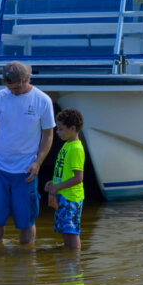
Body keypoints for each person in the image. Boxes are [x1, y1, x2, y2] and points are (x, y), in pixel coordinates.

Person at [0, 61, 55, 245]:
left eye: (16, 87)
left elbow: (48, 134)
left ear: (27, 79)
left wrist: (38, 162)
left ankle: (27, 262)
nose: (12, 91)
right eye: (9, 87)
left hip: (26, 170)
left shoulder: (42, 100)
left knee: (26, 221)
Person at [44, 108, 85, 251]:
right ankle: (66, 261)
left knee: (71, 232)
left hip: (71, 198)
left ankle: (73, 263)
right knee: (65, 231)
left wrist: (58, 187)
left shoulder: (76, 148)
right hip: (63, 196)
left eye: (61, 129)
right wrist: (53, 183)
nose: (57, 132)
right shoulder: (67, 145)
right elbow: (64, 171)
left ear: (73, 128)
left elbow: (78, 178)